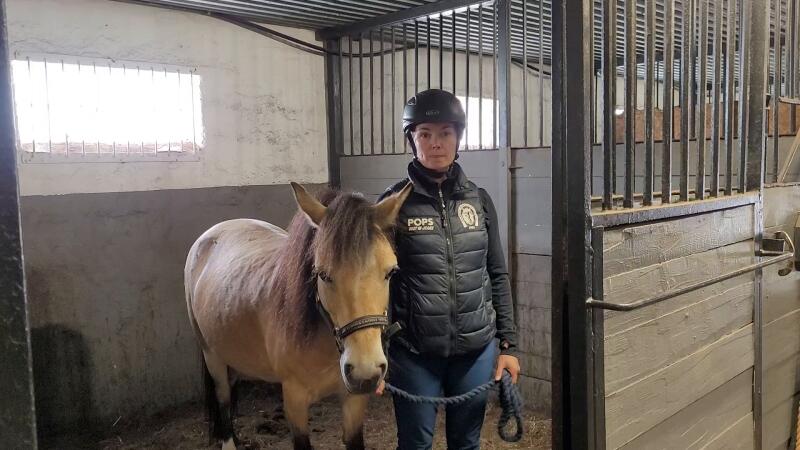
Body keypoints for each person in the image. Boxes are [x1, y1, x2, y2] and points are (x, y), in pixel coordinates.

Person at [377, 89, 520, 450]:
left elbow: (497, 273)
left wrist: (508, 344)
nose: (436, 143)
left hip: (475, 350)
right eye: (425, 134)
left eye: (445, 133)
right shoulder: (391, 207)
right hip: (413, 353)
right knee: (415, 444)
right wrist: (376, 353)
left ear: (458, 138)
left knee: (466, 444)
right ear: (412, 140)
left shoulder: (479, 200)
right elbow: (374, 283)